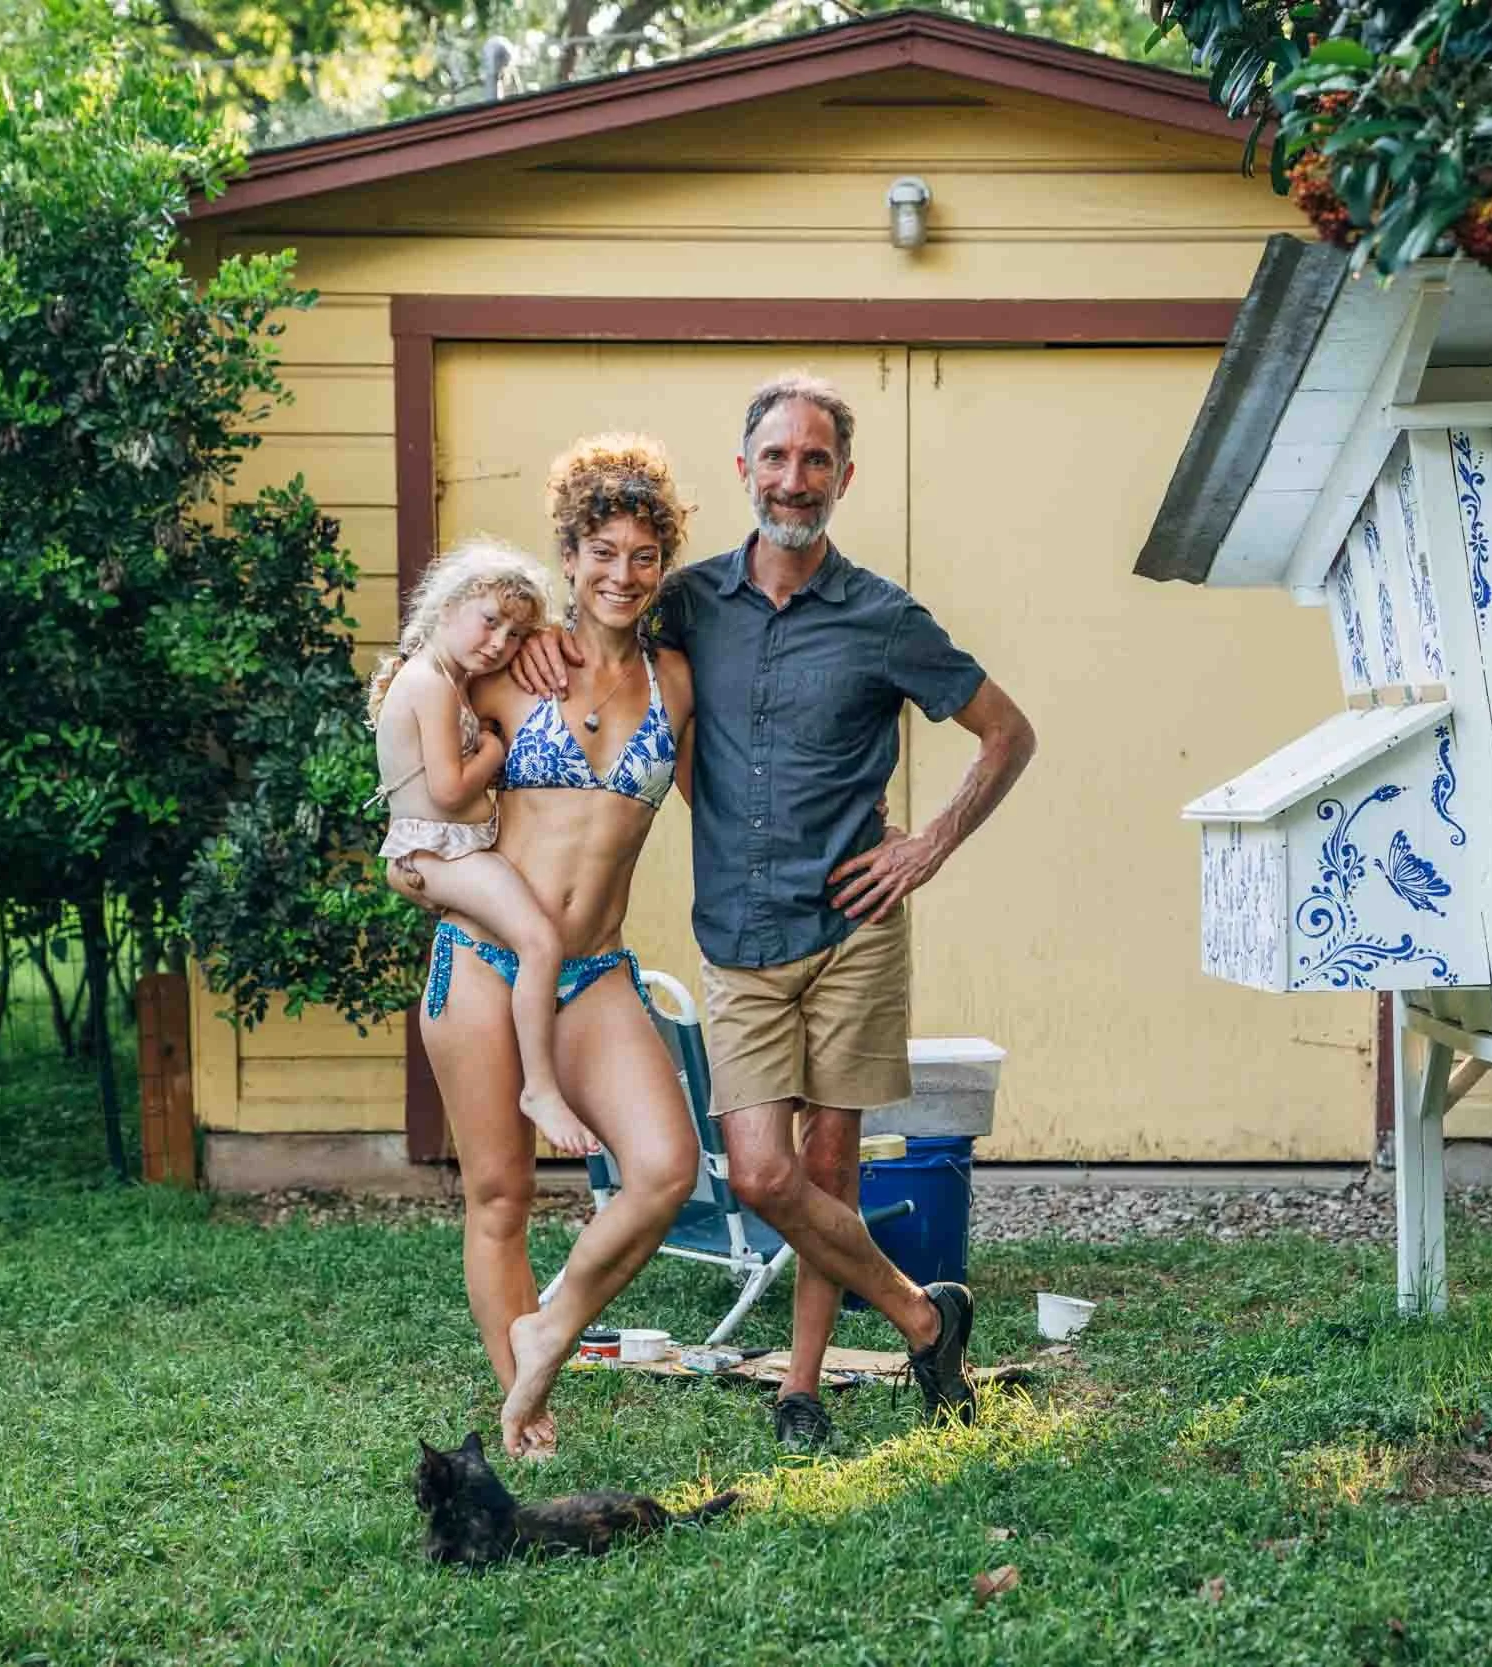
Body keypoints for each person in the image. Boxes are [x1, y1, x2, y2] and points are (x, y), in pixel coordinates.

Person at [518, 373, 1036, 1452]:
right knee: (760, 1171)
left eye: (814, 460)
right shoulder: (690, 599)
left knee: (829, 1168)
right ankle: (924, 1316)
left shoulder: (885, 616)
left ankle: (799, 1384)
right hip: (739, 929)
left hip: (852, 925)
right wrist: (530, 642)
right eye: (774, 457)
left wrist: (924, 846)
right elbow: (601, 615)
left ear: (842, 477)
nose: (792, 478)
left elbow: (1006, 733)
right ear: (745, 466)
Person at [421, 436, 703, 1458]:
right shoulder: (513, 661)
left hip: (593, 971)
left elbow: (733, 801)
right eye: (601, 552)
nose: (620, 575)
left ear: (662, 564)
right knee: (499, 1191)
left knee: (666, 1166)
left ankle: (550, 1324)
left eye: (642, 555)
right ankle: (525, 1401)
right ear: (569, 554)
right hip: (484, 961)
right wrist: (419, 862)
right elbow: (407, 741)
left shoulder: (676, 682)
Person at [364, 542, 593, 1158]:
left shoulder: (440, 676)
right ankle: (539, 1087)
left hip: (436, 851)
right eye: (490, 621)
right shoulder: (433, 686)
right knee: (539, 941)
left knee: (528, 939)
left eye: (515, 634)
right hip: (442, 855)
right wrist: (493, 747)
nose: (498, 643)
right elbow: (450, 792)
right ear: (447, 605)